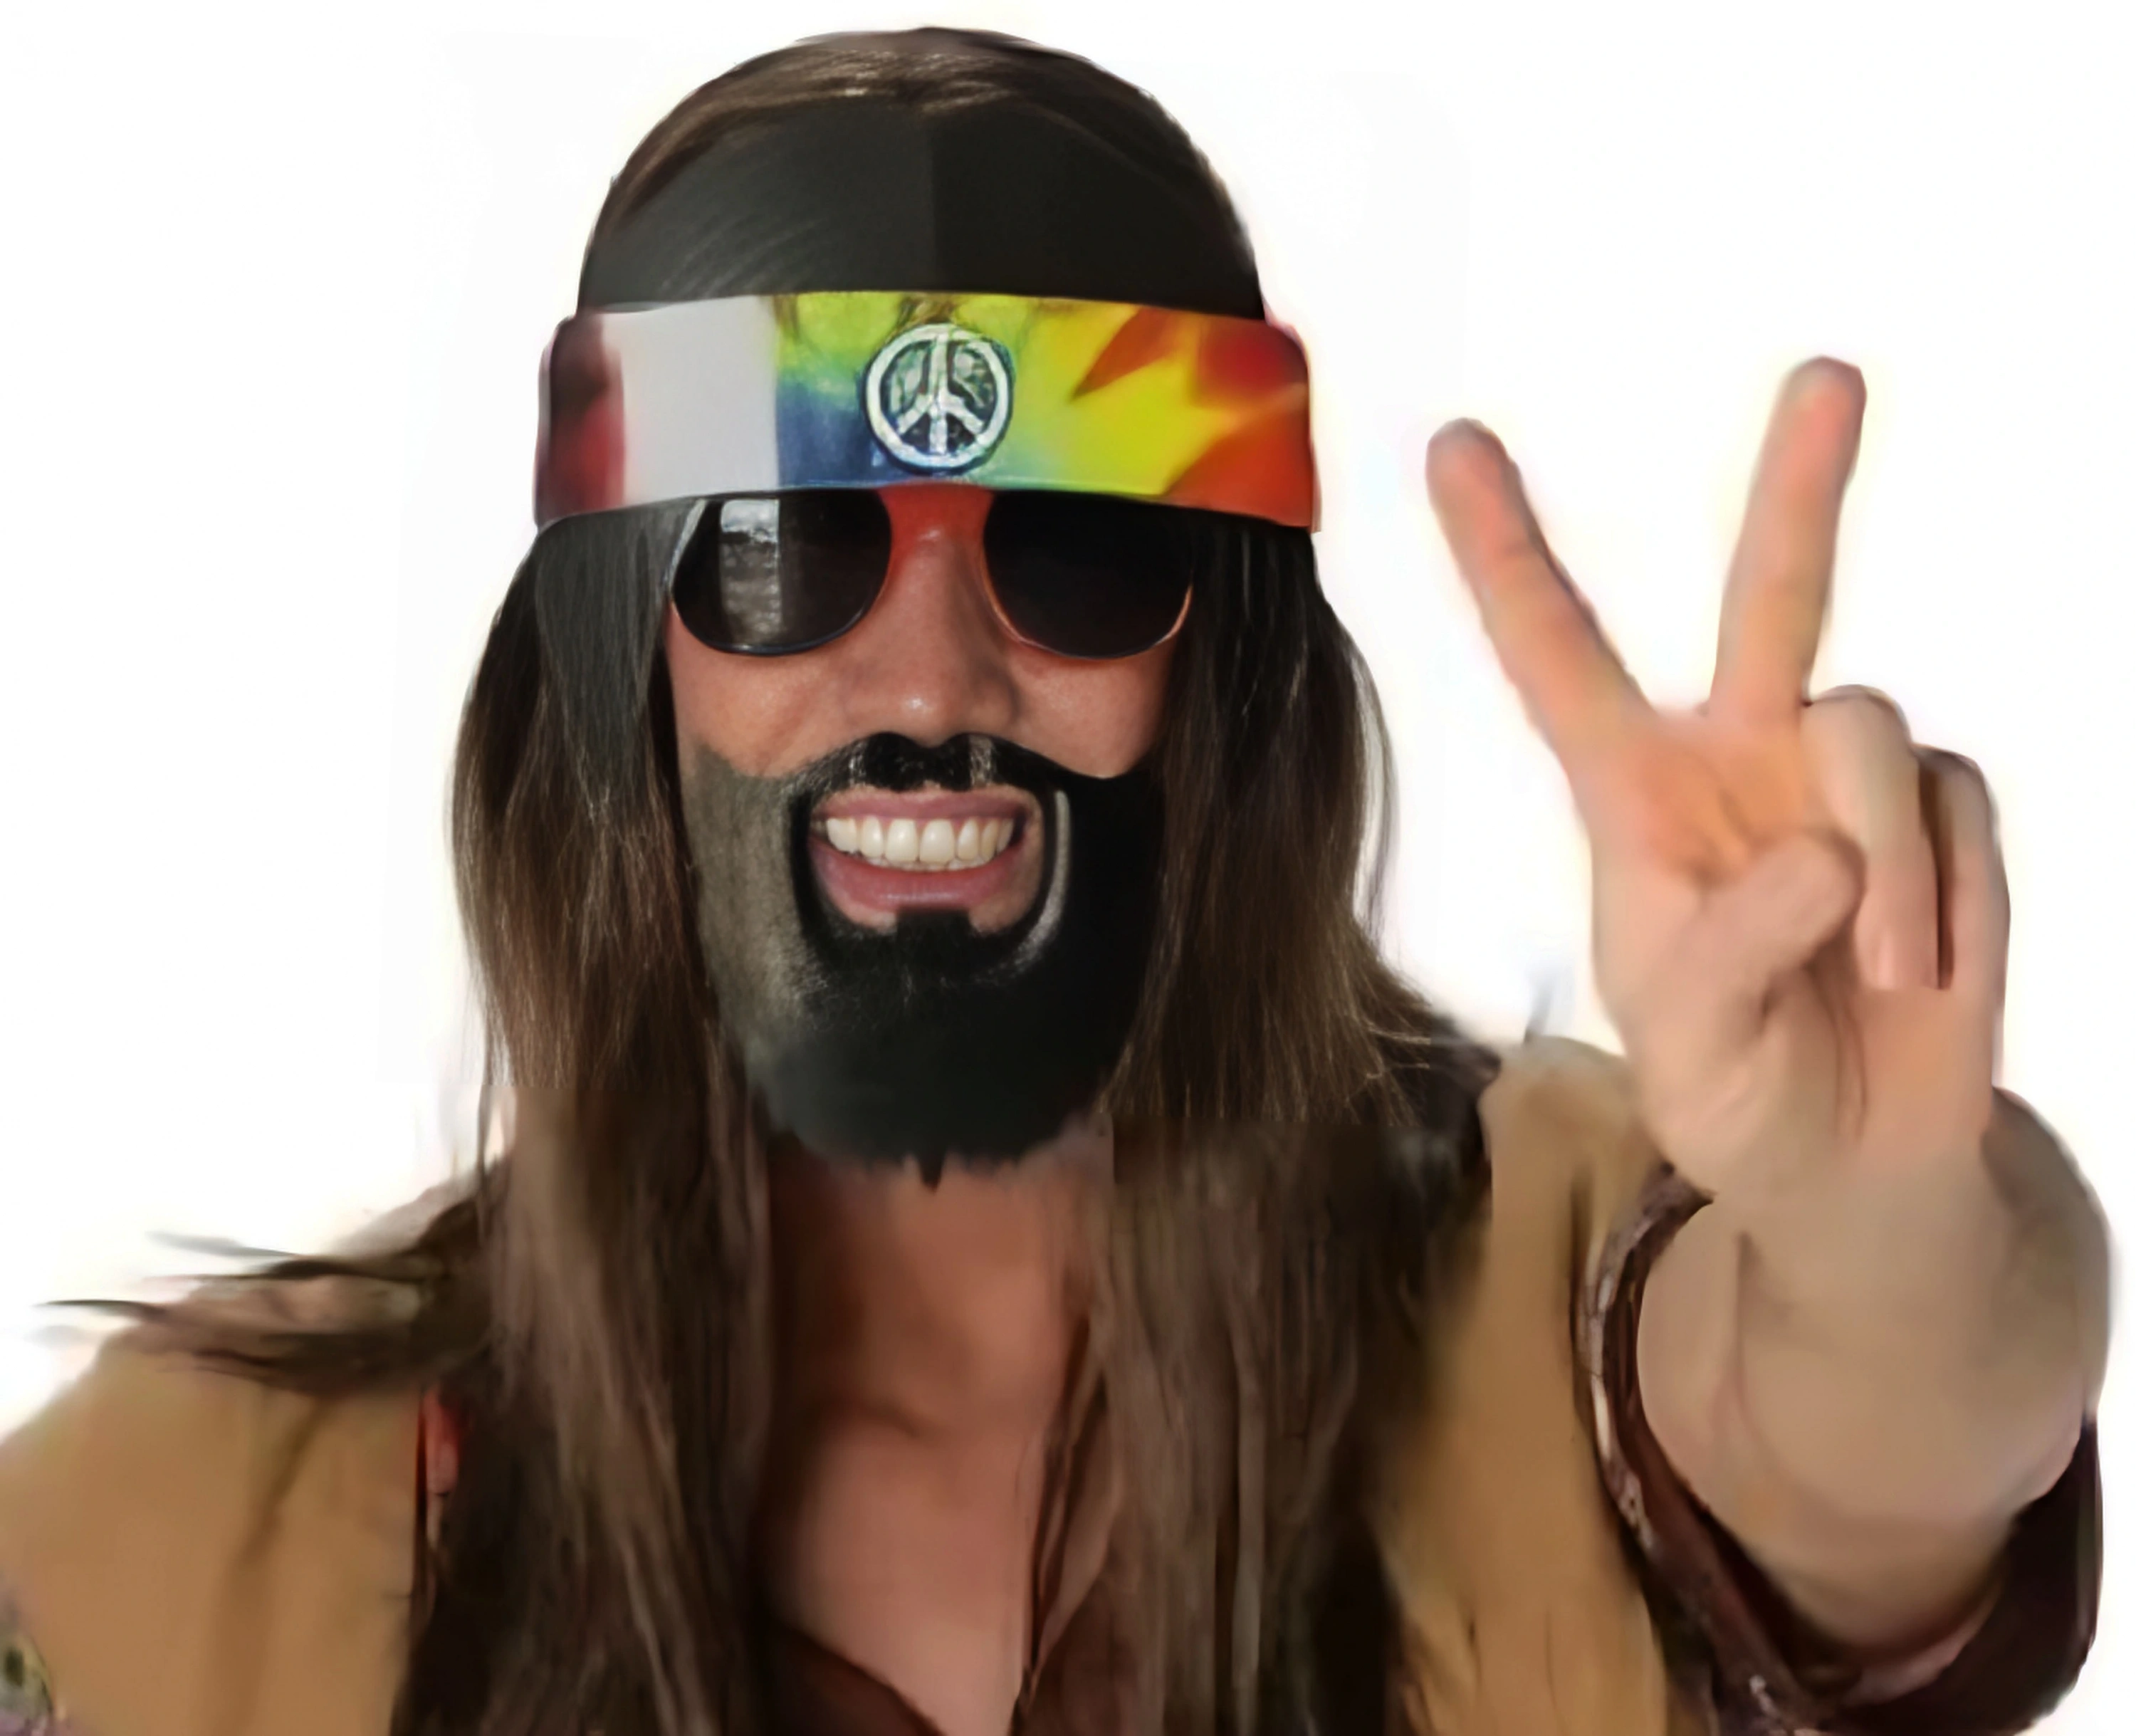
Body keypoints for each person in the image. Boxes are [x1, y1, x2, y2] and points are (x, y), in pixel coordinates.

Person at [0, 26, 2107, 1736]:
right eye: (788, 552)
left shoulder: (1550, 1294)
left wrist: (1877, 1220)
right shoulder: (200, 1525)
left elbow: (1893, 1444)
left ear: (1228, 672)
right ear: (621, 655)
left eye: (1074, 553)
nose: (933, 682)